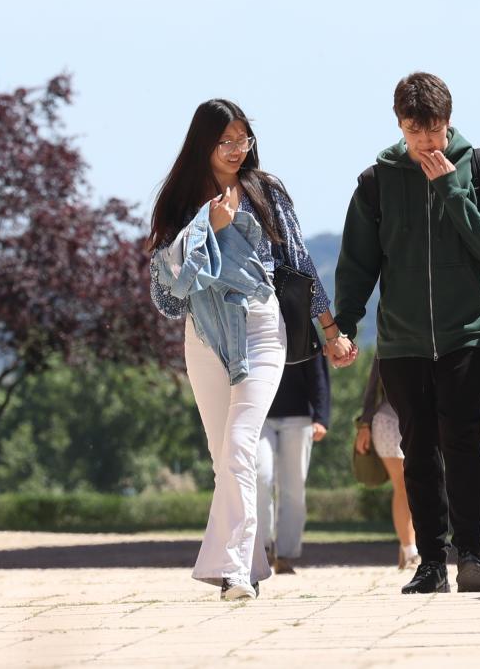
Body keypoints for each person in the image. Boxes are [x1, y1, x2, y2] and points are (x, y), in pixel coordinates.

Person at [148, 99, 338, 601]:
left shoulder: (266, 191)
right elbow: (166, 296)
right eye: (226, 141)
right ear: (203, 144)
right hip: (204, 334)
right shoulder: (180, 200)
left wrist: (331, 331)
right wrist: (208, 229)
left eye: (243, 140)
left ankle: (230, 571)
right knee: (224, 456)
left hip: (260, 328)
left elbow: (300, 265)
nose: (236, 150)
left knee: (239, 447)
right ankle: (250, 565)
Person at [332, 71, 480, 594]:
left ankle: (471, 554)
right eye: (415, 131)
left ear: (448, 122)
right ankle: (431, 561)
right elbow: (357, 264)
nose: (426, 142)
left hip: (469, 333)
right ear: (400, 126)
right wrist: (344, 325)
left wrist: (451, 188)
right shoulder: (376, 180)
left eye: (433, 131)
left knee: (462, 440)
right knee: (418, 447)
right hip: (403, 340)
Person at [256, 350, 330, 574]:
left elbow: (318, 373)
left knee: (294, 488)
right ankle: (263, 548)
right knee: (260, 478)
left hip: (299, 417)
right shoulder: (252, 316)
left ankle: (285, 554)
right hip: (259, 413)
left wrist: (321, 417)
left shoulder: (303, 321)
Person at [355, 358, 418, 569]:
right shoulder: (388, 337)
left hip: (421, 419)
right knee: (404, 485)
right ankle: (410, 551)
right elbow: (372, 387)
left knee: (420, 485)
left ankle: (410, 543)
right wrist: (364, 425)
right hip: (389, 420)